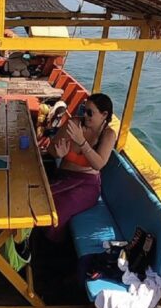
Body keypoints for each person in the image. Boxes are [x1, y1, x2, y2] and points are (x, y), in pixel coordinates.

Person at [42, 93, 116, 244]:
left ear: (104, 115)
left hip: (87, 185)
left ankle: (51, 245)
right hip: (63, 177)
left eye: (90, 112)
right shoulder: (74, 124)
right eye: (84, 110)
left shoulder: (108, 135)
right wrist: (57, 153)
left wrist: (81, 142)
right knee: (41, 200)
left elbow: (99, 164)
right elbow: (51, 148)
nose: (85, 116)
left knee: (60, 209)